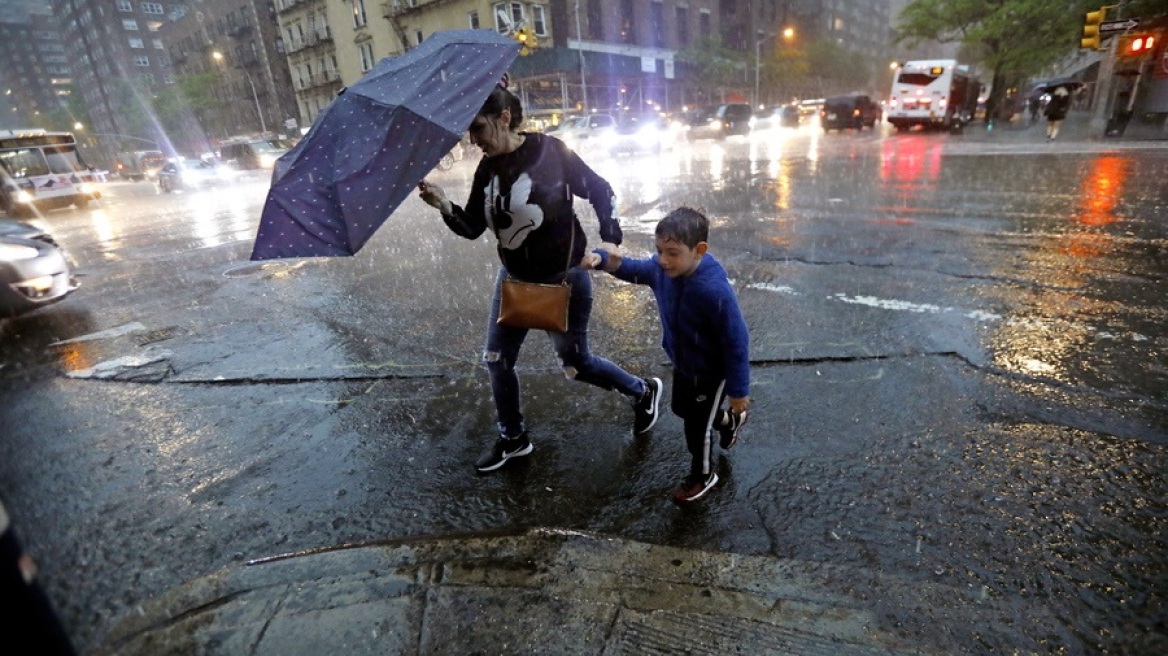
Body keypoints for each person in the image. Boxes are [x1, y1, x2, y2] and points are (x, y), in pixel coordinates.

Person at [417, 82, 662, 473]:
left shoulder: (552, 153)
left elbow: (600, 189)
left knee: (576, 365)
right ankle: (513, 438)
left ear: (504, 118)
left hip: (563, 278)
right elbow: (471, 227)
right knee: (496, 361)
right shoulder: (487, 168)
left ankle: (641, 390)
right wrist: (443, 204)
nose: (473, 139)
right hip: (513, 280)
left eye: (478, 128)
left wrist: (611, 238)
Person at [583, 207, 751, 504]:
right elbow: (633, 269)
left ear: (699, 251)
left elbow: (736, 342)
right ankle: (728, 422)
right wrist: (603, 260)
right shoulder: (662, 271)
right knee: (682, 410)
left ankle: (703, 475)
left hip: (711, 371)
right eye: (659, 251)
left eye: (672, 253)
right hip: (684, 363)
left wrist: (738, 392)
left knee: (696, 428)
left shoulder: (714, 291)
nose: (663, 260)